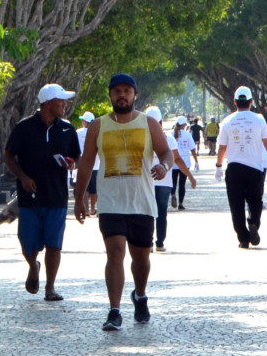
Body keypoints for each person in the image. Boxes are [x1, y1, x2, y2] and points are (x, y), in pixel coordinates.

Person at [74, 74, 175, 331]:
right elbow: (86, 162)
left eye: (127, 91)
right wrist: (79, 198)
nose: (122, 95)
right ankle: (114, 310)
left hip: (141, 202)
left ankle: (140, 296)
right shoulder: (98, 126)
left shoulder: (148, 123)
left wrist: (164, 166)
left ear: (135, 95)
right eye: (117, 91)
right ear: (110, 95)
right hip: (111, 202)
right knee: (115, 253)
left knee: (141, 259)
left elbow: (166, 152)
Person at [3, 83, 81, 302]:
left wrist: (72, 164)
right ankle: (33, 265)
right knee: (27, 243)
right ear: (47, 104)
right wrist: (23, 177)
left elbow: (78, 156)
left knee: (54, 244)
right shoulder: (24, 127)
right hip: (29, 197)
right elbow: (9, 155)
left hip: (57, 196)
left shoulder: (67, 129)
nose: (65, 104)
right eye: (61, 101)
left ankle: (50, 287)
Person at [216, 86, 267, 249]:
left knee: (236, 204)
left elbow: (222, 147)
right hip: (255, 168)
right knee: (255, 201)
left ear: (235, 102)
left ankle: (243, 238)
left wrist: (218, 166)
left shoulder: (227, 121)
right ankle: (253, 222)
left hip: (234, 168)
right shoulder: (259, 119)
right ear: (251, 102)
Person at [145, 108, 196, 253]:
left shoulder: (141, 139)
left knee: (147, 213)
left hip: (146, 182)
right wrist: (190, 177)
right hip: (164, 183)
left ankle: (148, 243)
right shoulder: (169, 138)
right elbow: (178, 160)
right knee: (161, 213)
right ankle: (159, 243)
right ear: (161, 121)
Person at [170, 116, 197, 210]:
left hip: (173, 162)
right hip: (185, 163)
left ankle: (172, 193)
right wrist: (196, 161)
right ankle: (180, 203)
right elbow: (193, 149)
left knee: (173, 182)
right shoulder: (187, 134)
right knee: (182, 184)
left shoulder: (171, 134)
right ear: (185, 125)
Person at [76, 112, 100, 216]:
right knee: (94, 189)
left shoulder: (78, 132)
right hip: (96, 164)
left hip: (82, 164)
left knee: (84, 187)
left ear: (85, 121)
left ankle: (85, 209)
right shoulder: (98, 131)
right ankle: (93, 209)